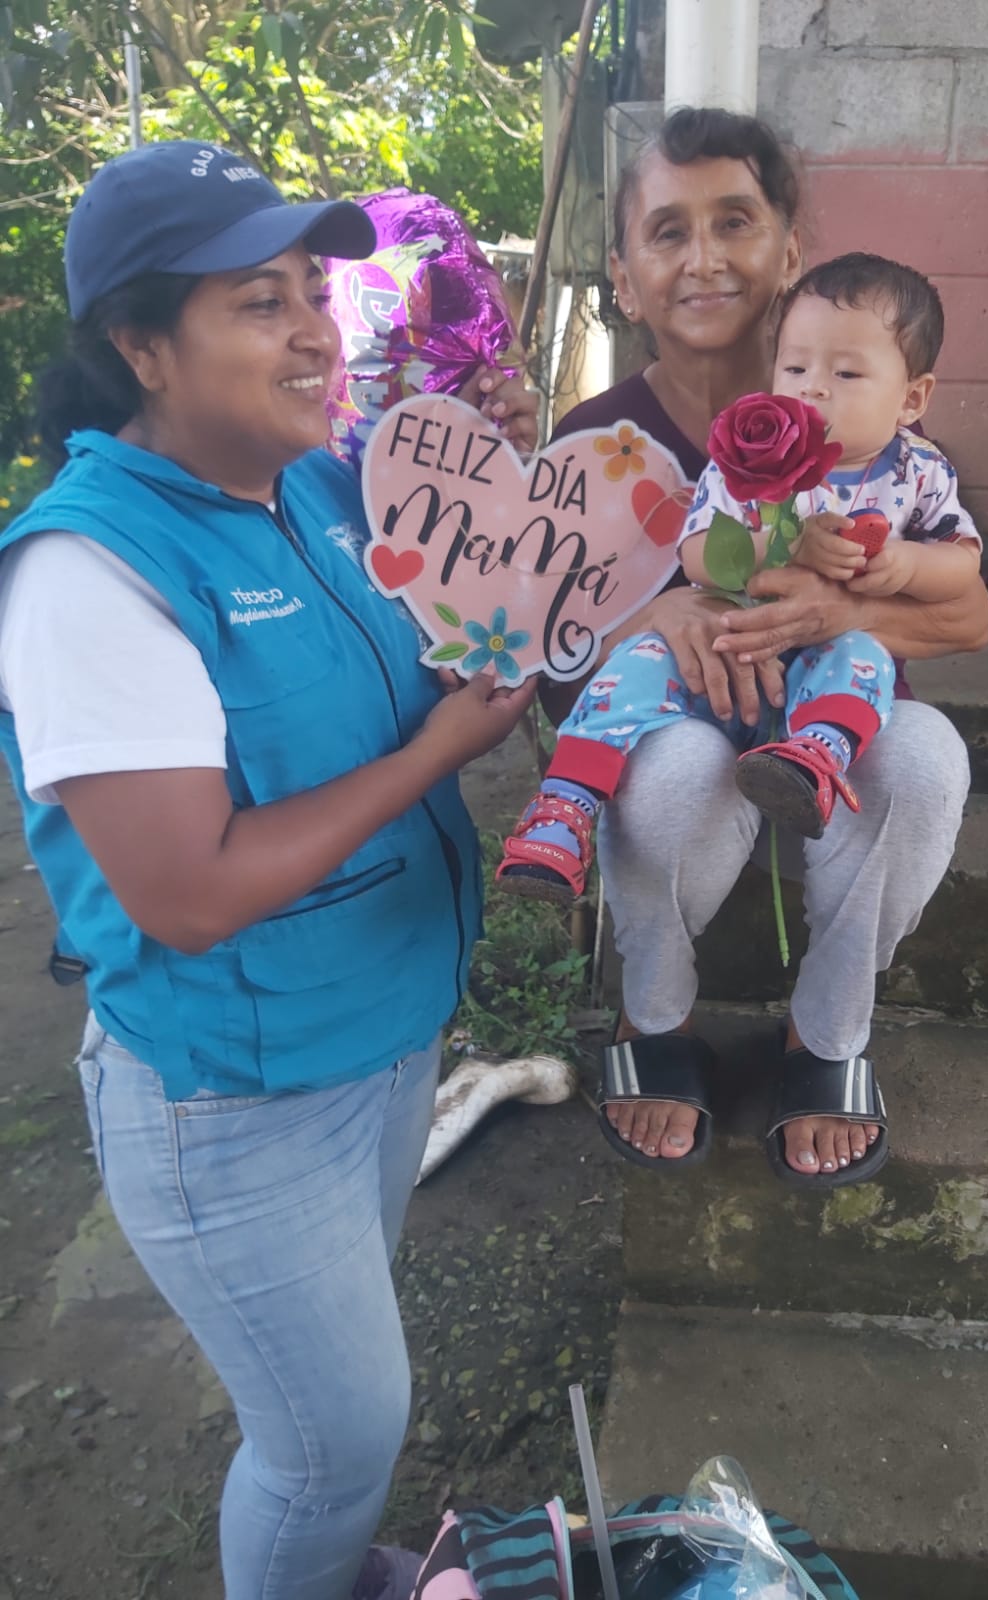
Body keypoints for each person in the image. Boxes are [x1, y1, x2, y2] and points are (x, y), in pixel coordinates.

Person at [0, 142, 538, 1600]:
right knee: (331, 1439)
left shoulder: (319, 491)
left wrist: (509, 509)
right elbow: (192, 892)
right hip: (238, 1097)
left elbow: (458, 632)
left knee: (341, 1412)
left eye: (314, 290)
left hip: (384, 1032)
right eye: (259, 301)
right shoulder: (89, 574)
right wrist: (444, 749)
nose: (316, 331)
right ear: (140, 345)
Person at [533, 108, 988, 1186]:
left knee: (928, 760)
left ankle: (823, 1034)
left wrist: (834, 613)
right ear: (624, 275)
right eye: (667, 231)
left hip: (837, 742)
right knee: (675, 770)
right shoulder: (589, 448)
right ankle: (654, 1015)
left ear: (789, 252)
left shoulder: (875, 428)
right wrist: (658, 616)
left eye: (734, 221)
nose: (704, 258)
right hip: (684, 742)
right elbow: (551, 656)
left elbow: (969, 616)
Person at [497, 253, 980, 899]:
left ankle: (812, 760)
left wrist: (907, 564)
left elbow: (963, 564)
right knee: (638, 661)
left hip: (824, 669)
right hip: (722, 664)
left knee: (863, 654)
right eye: (796, 367)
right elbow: (697, 554)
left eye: (845, 372)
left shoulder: (919, 471)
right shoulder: (749, 459)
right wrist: (785, 544)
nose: (813, 388)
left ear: (912, 398)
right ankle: (565, 805)